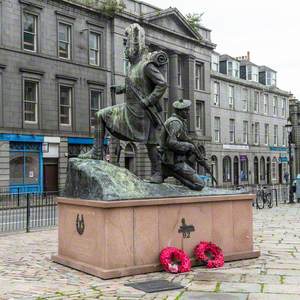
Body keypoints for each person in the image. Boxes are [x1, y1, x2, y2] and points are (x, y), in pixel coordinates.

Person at [80, 23, 167, 183]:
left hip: (142, 113)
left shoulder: (146, 65)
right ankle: (96, 152)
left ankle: (157, 173)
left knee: (151, 145)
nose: (125, 47)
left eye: (126, 42)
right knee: (100, 115)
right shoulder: (132, 67)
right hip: (129, 109)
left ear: (134, 44)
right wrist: (121, 88)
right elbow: (136, 86)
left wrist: (148, 100)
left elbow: (162, 84)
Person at [160, 99, 206, 191]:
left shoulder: (179, 122)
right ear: (180, 111)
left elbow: (184, 139)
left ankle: (171, 173)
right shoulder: (175, 123)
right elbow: (171, 142)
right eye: (186, 110)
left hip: (175, 159)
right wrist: (189, 146)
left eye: (188, 110)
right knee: (200, 184)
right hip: (173, 161)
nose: (188, 112)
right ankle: (173, 173)